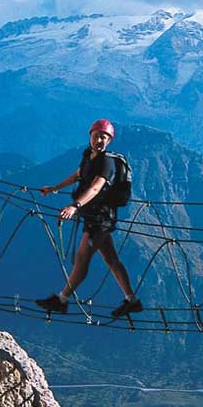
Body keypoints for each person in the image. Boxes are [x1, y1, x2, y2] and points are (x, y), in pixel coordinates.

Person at [35, 119, 142, 318]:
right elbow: (78, 175)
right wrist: (54, 188)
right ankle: (131, 300)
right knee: (111, 259)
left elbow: (95, 187)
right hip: (93, 216)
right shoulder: (88, 156)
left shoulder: (107, 163)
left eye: (104, 137)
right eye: (96, 136)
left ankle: (62, 299)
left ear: (109, 140)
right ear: (90, 136)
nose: (99, 140)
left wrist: (74, 206)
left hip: (100, 219)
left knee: (82, 258)